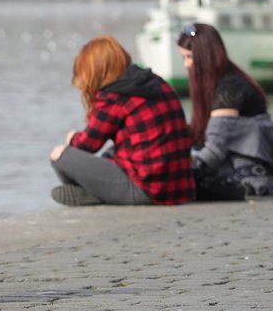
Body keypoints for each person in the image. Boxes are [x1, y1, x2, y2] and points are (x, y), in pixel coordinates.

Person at [49, 35, 196, 206]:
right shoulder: (156, 82)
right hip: (180, 187)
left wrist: (72, 138)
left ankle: (96, 195)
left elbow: (87, 145)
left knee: (59, 156)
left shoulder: (114, 95)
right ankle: (98, 194)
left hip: (147, 190)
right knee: (110, 153)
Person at [177, 23, 273, 198]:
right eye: (183, 58)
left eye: (189, 57)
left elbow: (215, 150)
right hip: (234, 165)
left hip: (250, 175)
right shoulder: (221, 83)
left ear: (204, 57)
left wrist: (179, 171)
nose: (186, 64)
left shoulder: (230, 89)